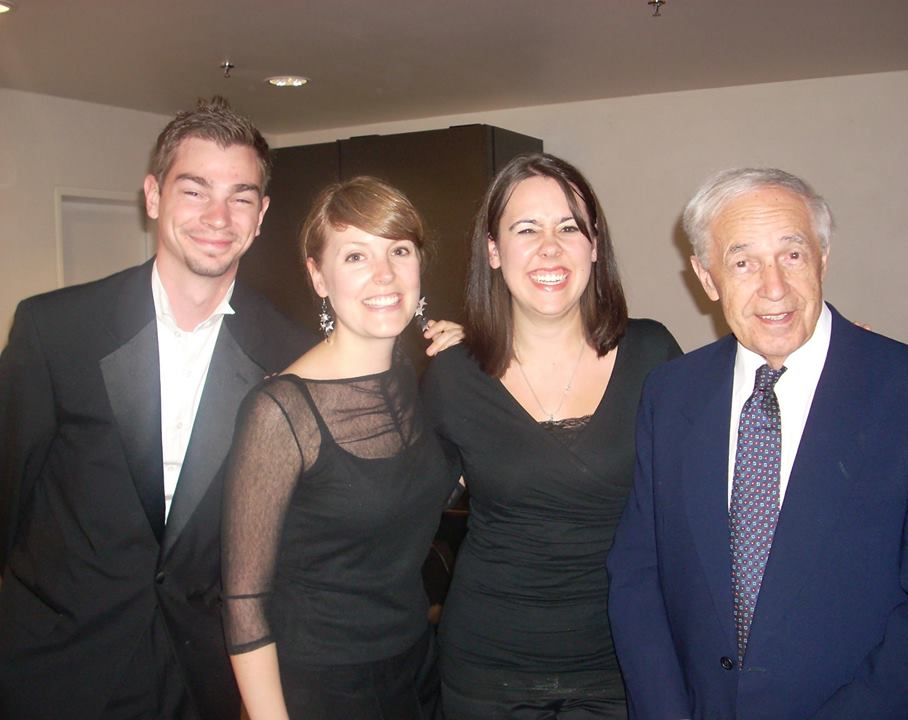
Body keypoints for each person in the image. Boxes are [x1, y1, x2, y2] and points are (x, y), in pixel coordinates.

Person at [0, 97, 318, 719]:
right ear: (153, 196)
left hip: (205, 680)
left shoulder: (294, 355)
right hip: (58, 670)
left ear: (261, 216)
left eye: (241, 196)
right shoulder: (55, 329)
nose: (218, 217)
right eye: (194, 190)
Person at [607, 167, 908, 719]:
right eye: (742, 261)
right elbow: (638, 572)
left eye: (791, 255)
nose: (773, 286)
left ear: (822, 257)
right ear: (707, 278)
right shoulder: (671, 394)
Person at [421, 153, 682, 718]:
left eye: (569, 227)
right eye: (526, 228)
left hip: (622, 663)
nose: (550, 246)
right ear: (493, 250)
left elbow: (713, 467)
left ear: (594, 247)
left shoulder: (653, 354)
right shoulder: (454, 374)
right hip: (487, 671)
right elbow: (400, 500)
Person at [221, 176, 459, 720]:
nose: (385, 274)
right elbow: (244, 603)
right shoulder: (281, 412)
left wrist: (477, 373)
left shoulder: (413, 376)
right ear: (317, 275)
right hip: (322, 689)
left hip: (417, 666)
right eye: (356, 256)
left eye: (399, 250)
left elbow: (433, 486)